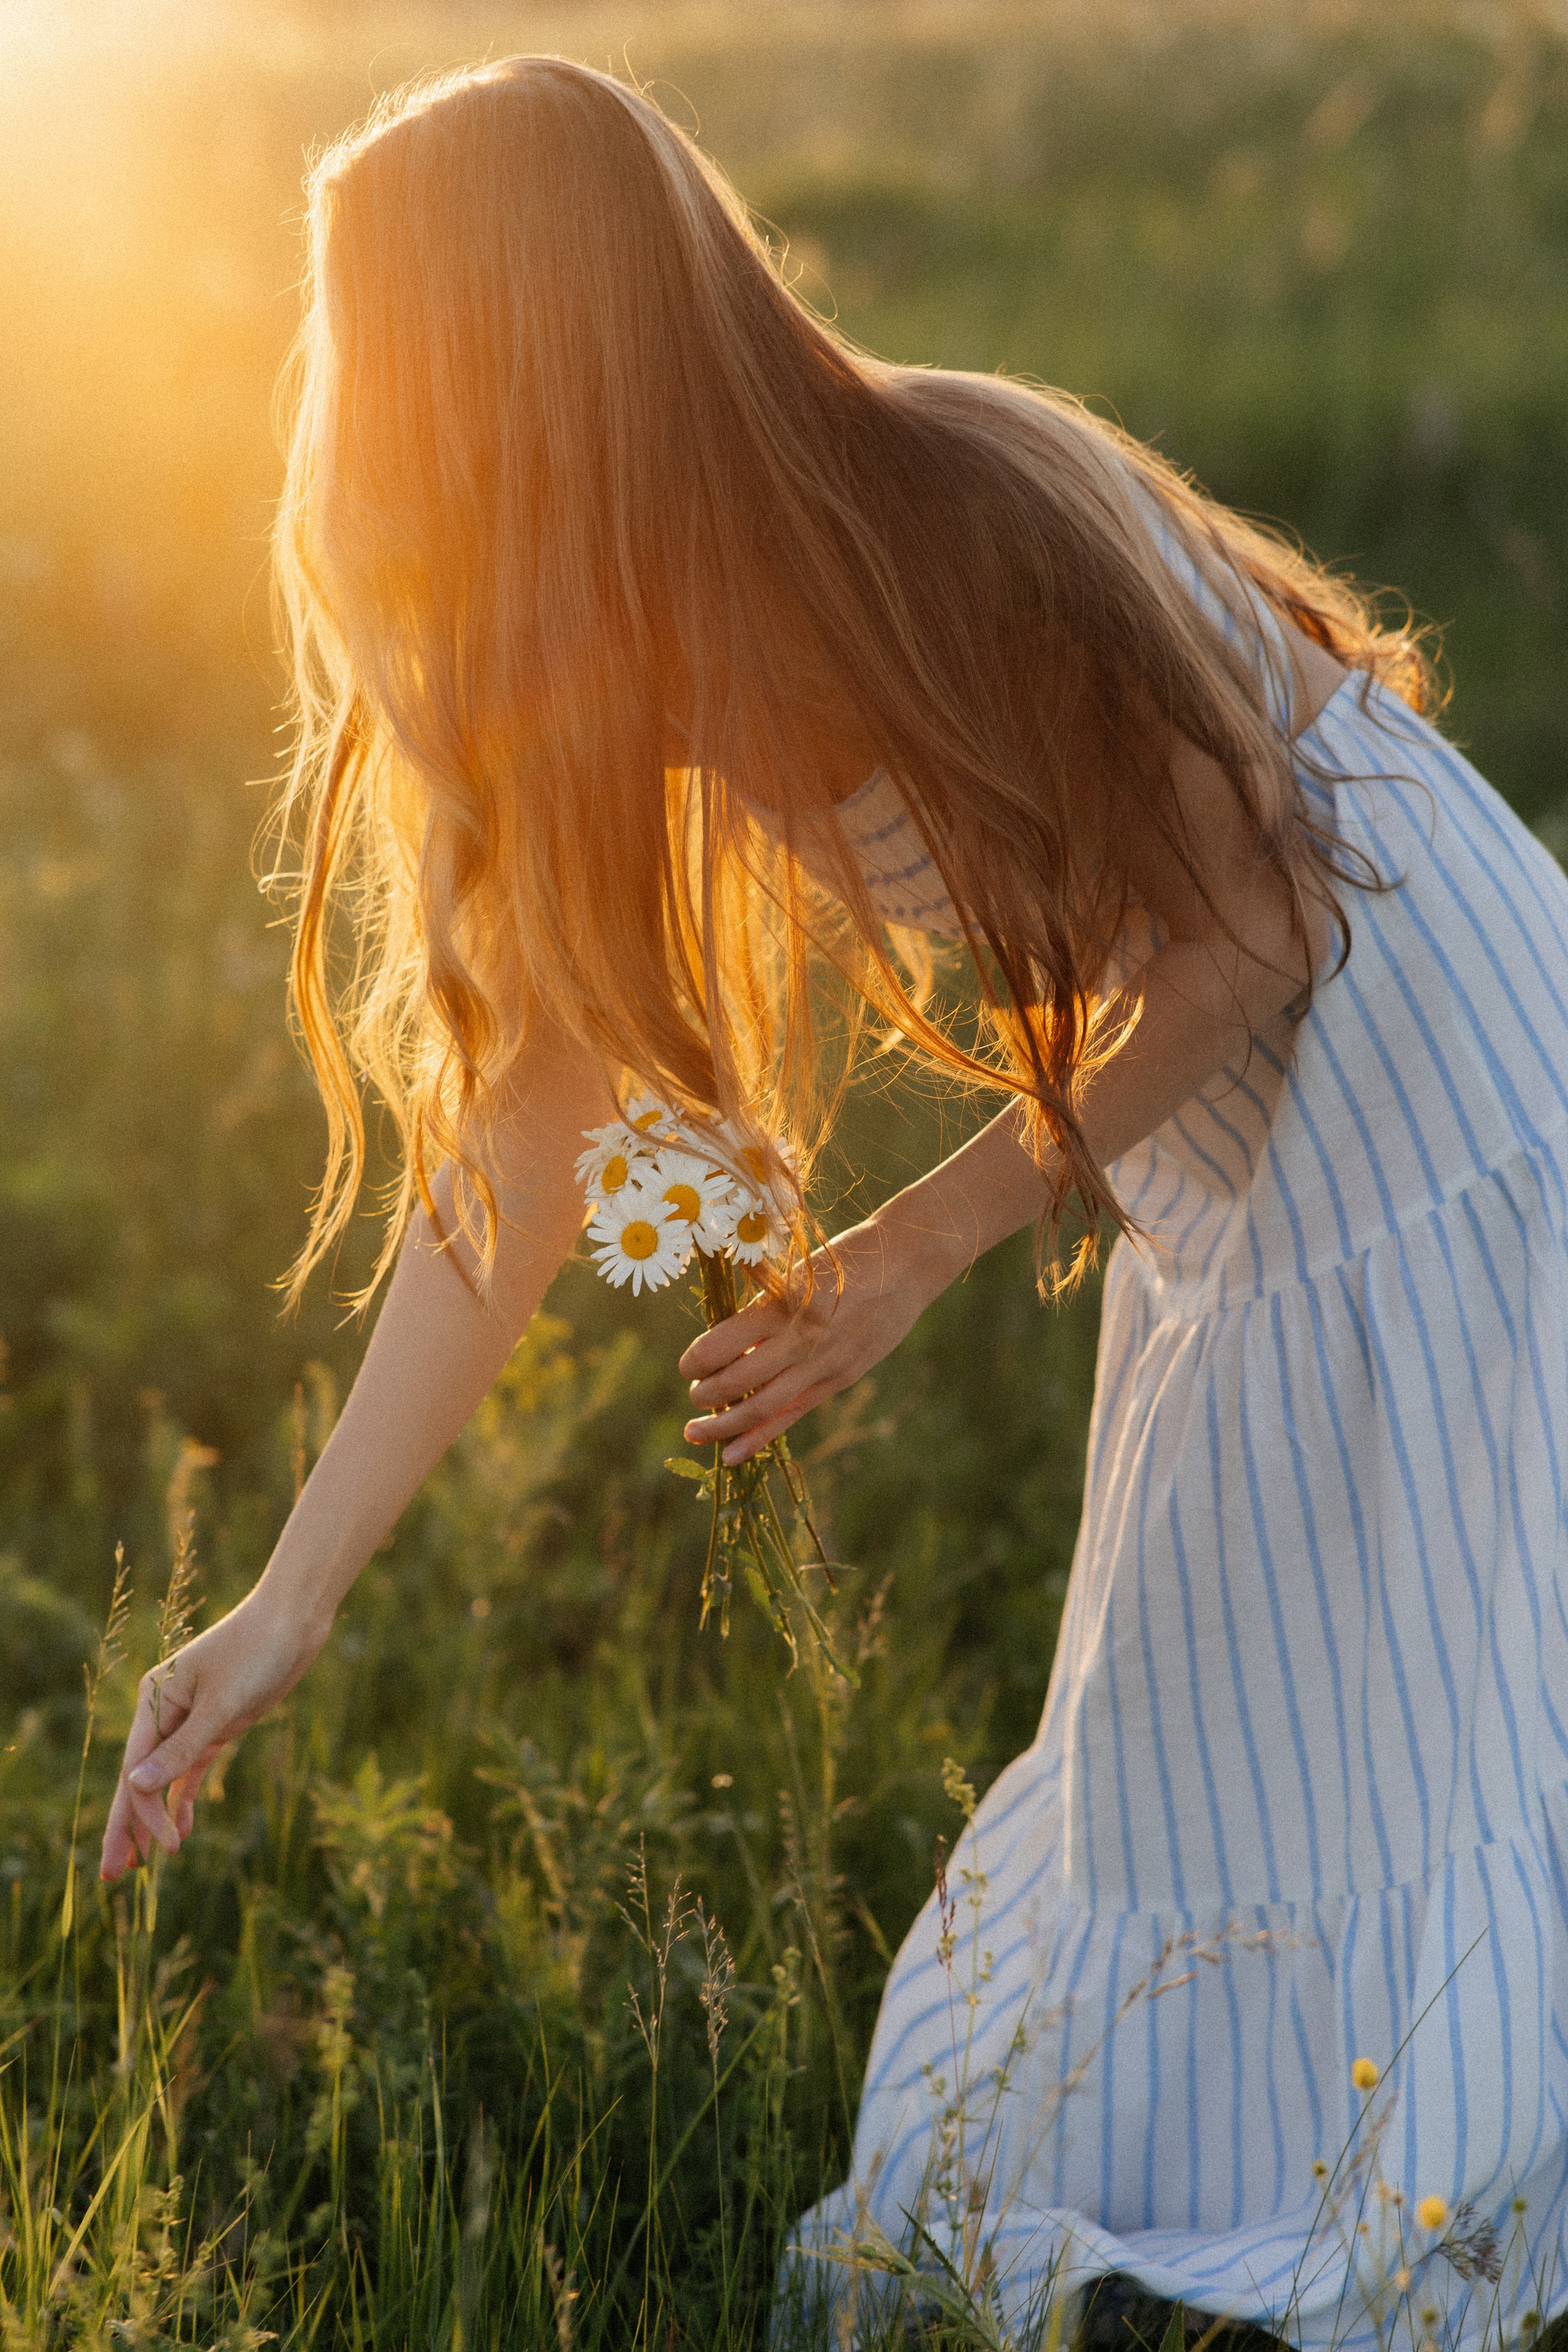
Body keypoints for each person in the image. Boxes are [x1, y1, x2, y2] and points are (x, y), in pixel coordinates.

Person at [99, 56, 1568, 2350]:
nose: (350, 429)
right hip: (1224, 1128)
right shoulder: (603, 654)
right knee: (1248, 1716)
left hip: (1427, 1071)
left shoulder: (958, 505)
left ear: (533, 368)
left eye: (387, 360)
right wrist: (288, 1601)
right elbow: (514, 1154)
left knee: (1387, 1687)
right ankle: (1314, 2200)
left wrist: (911, 1249)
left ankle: (1405, 2200)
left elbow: (1269, 924)